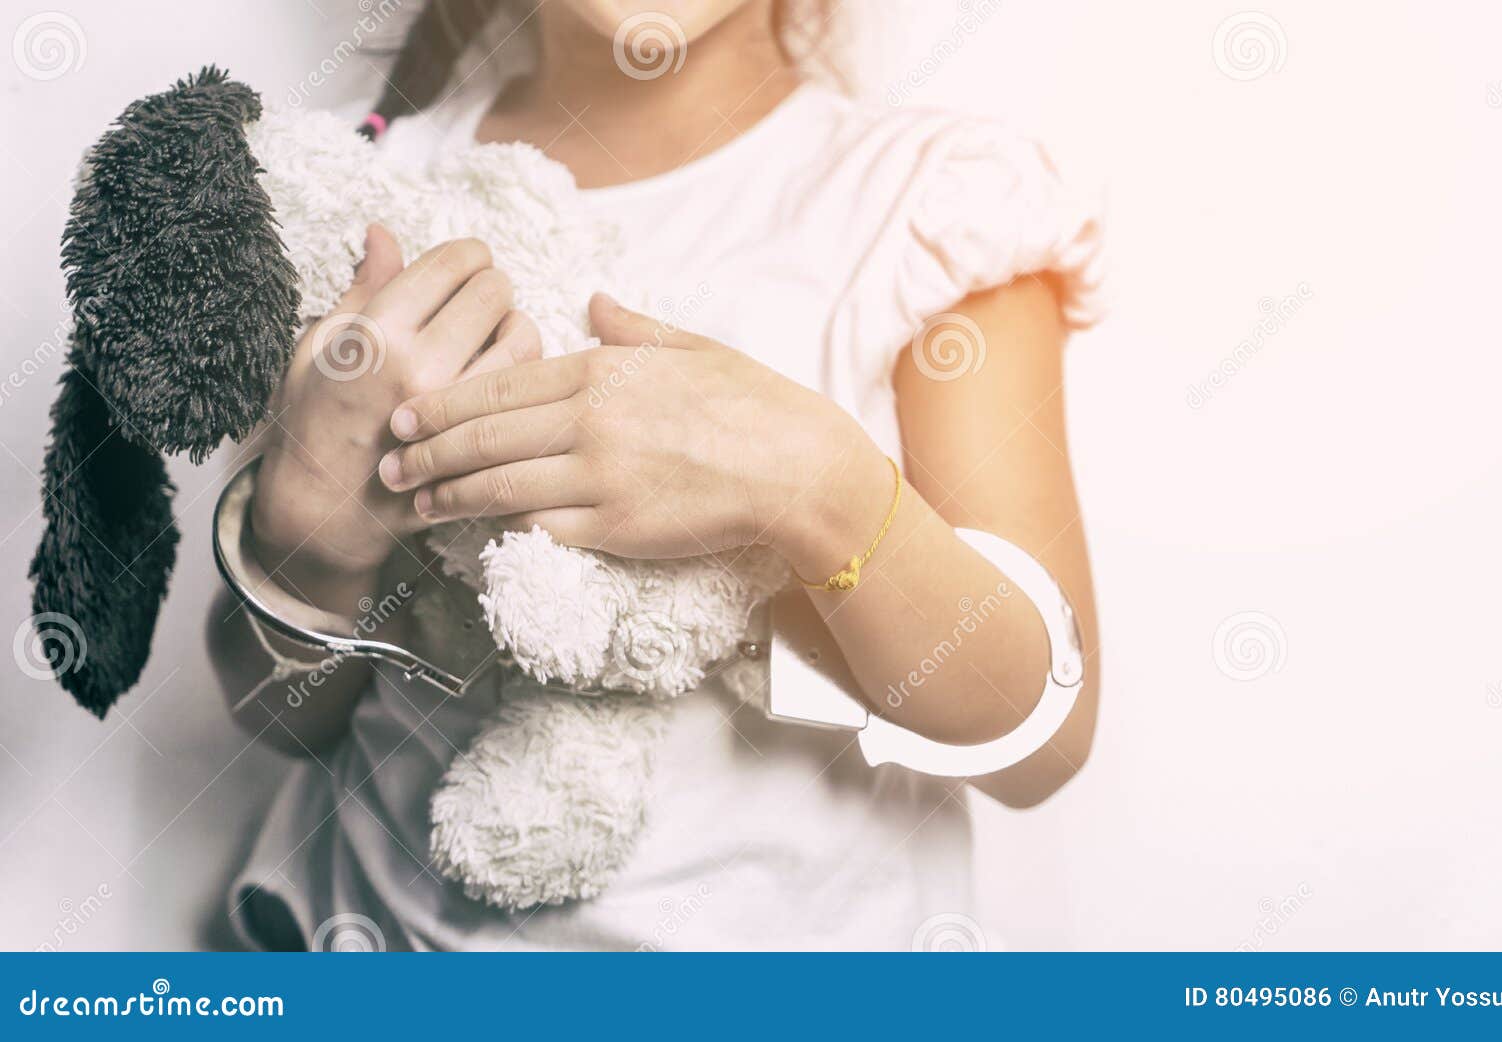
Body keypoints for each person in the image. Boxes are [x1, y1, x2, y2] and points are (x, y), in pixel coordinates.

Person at [209, 0, 1101, 950]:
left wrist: (818, 488)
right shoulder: (355, 188)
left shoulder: (931, 201)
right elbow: (277, 715)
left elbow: (1038, 739)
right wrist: (313, 537)